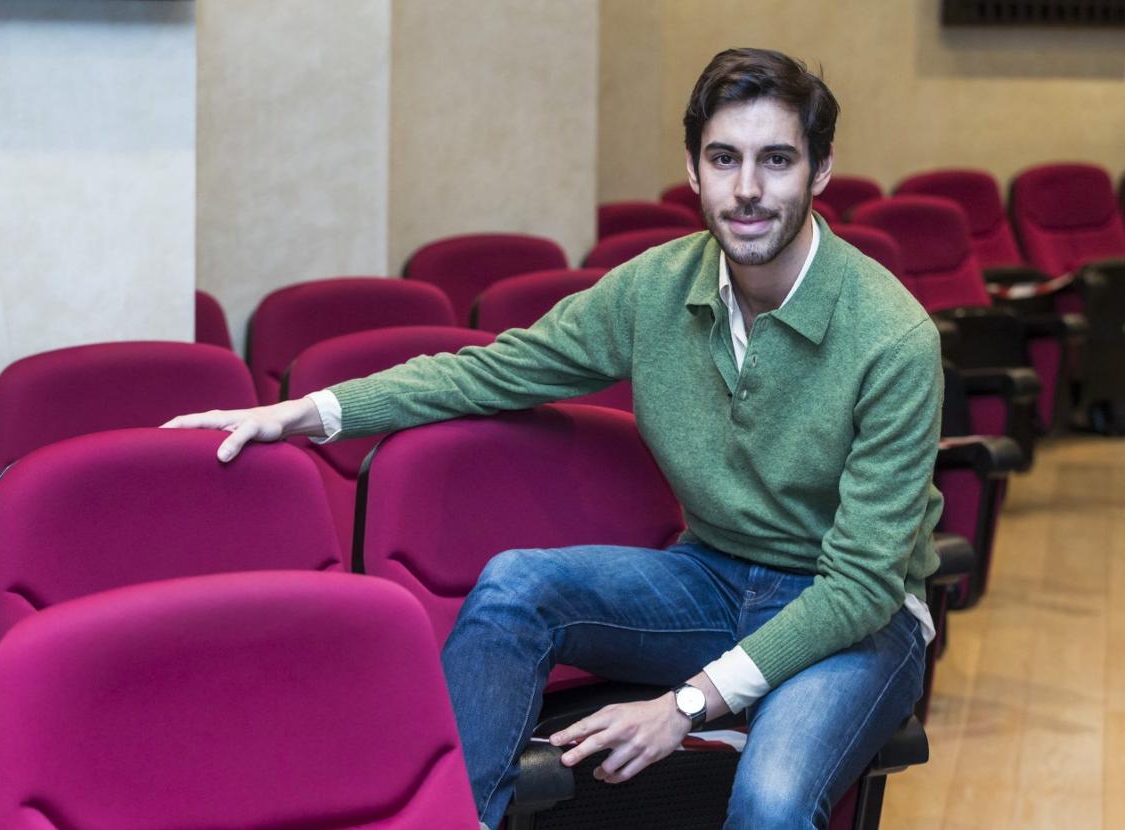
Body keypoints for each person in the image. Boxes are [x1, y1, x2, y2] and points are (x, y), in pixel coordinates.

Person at [164, 47, 943, 830]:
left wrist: (685, 704)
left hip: (859, 617)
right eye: (723, 159)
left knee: (771, 801)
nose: (746, 188)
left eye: (776, 160)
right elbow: (496, 369)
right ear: (693, 168)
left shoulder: (892, 337)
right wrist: (304, 412)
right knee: (516, 586)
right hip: (712, 577)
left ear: (820, 169)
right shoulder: (656, 287)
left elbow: (860, 586)